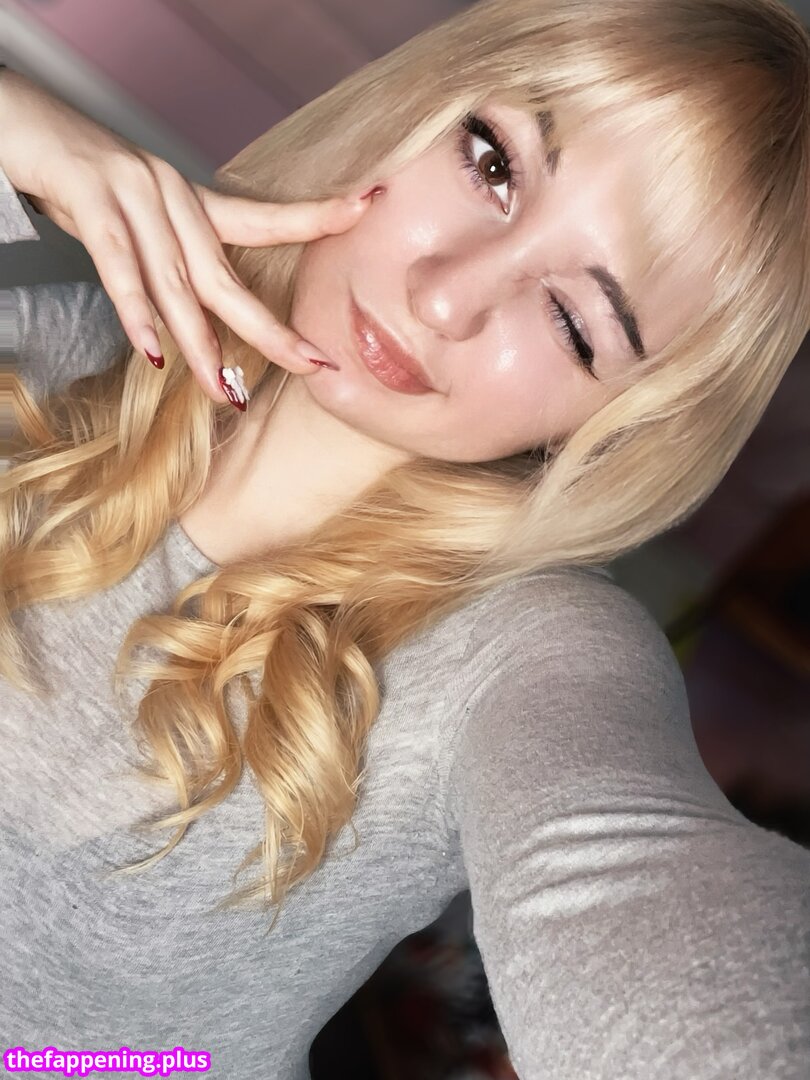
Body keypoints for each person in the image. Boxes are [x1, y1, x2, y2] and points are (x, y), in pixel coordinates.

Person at [0, 0, 809, 1075]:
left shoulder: (526, 657)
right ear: (418, 104)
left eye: (574, 323)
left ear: (624, 424)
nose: (446, 296)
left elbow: (655, 918)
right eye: (492, 163)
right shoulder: (43, 353)